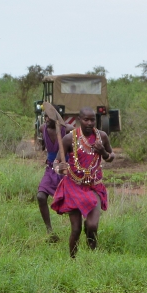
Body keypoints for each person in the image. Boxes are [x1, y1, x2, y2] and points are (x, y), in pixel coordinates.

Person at [51, 107, 115, 257]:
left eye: (92, 120)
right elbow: (56, 162)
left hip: (94, 187)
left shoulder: (102, 136)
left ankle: (92, 258)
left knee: (92, 226)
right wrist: (59, 168)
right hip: (73, 187)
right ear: (79, 120)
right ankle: (72, 260)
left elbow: (111, 156)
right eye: (86, 120)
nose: (90, 123)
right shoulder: (69, 139)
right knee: (76, 230)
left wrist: (103, 152)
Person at [37, 114, 67, 241]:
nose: (46, 119)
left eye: (49, 117)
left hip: (65, 168)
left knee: (71, 200)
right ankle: (50, 231)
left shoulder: (66, 129)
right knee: (40, 196)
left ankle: (76, 229)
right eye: (45, 117)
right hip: (50, 168)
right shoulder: (43, 128)